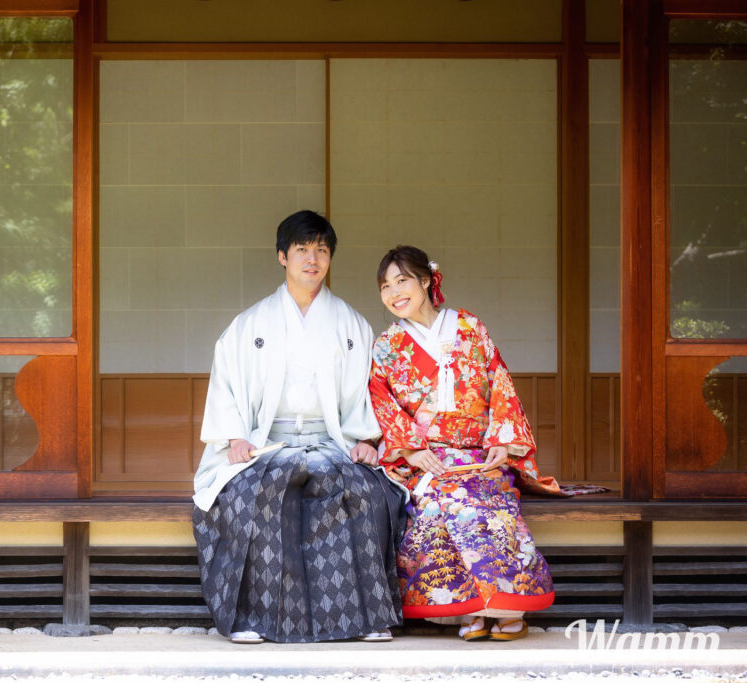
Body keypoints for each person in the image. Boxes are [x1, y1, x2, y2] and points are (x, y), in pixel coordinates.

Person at [192, 210, 406, 644]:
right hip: (266, 442)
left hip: (333, 440)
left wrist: (366, 438)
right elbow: (226, 383)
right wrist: (235, 435)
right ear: (282, 257)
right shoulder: (249, 325)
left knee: (365, 493)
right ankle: (252, 618)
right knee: (253, 494)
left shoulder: (351, 323)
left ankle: (363, 618)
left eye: (322, 250)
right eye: (303, 249)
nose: (313, 259)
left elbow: (373, 388)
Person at [367, 245, 562, 642]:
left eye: (402, 280)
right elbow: (380, 398)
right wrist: (410, 449)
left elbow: (499, 381)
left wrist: (502, 441)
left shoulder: (469, 326)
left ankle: (501, 605)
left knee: (488, 497)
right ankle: (466, 610)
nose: (393, 292)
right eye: (385, 286)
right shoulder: (387, 344)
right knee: (440, 502)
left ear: (425, 280)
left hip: (479, 451)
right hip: (426, 459)